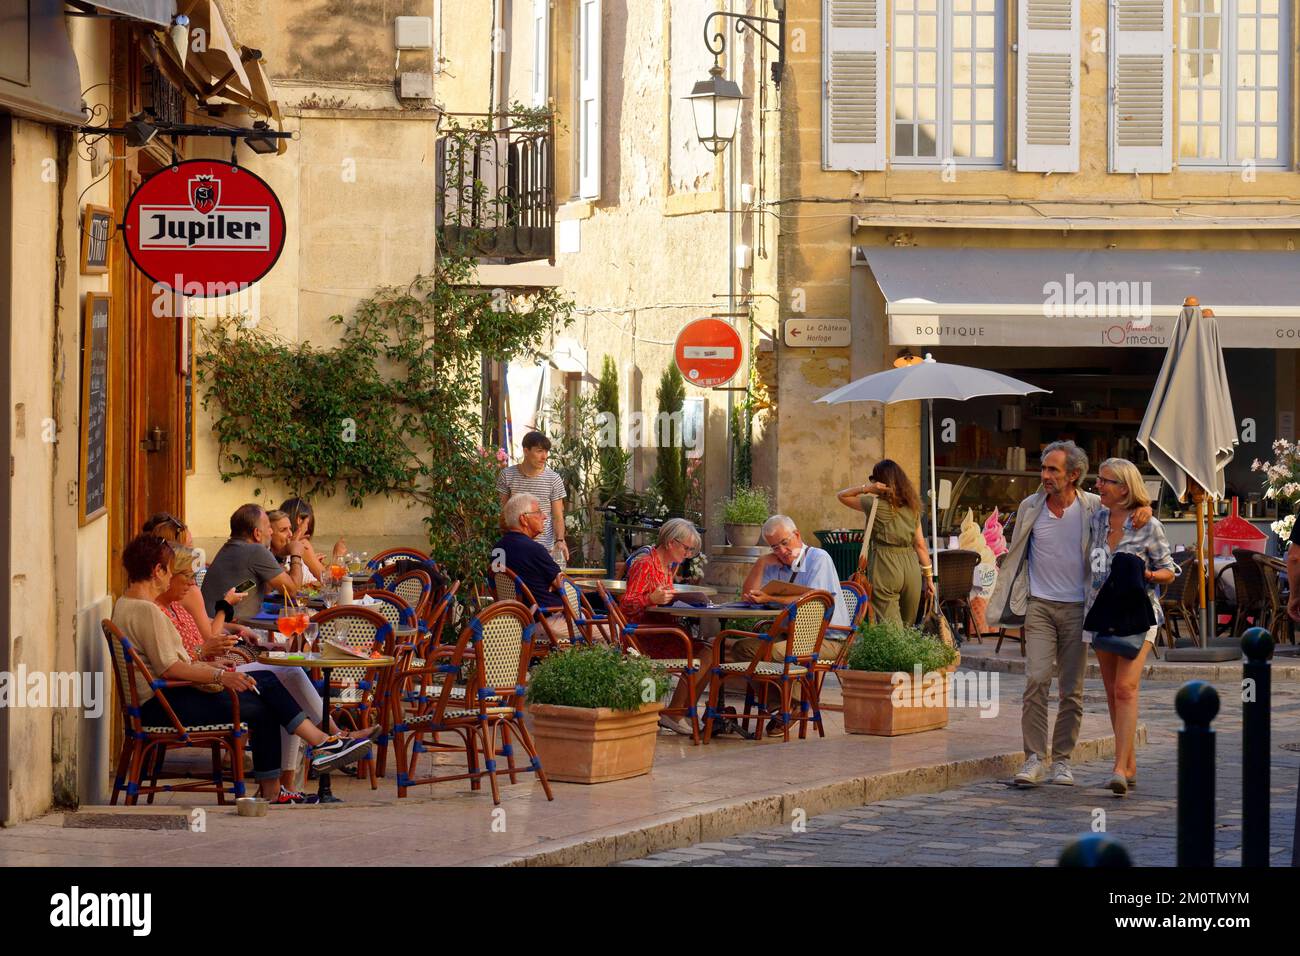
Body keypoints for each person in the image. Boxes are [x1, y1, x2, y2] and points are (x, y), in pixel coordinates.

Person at [112, 535, 372, 800]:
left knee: (266, 695)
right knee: (268, 689)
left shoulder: (125, 604)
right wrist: (221, 676)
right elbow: (171, 668)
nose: (173, 579)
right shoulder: (147, 611)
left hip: (163, 700)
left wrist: (211, 666)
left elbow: (169, 663)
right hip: (165, 705)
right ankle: (321, 746)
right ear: (158, 571)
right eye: (170, 570)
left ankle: (300, 766)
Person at [988, 441, 1151, 788]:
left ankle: (1062, 760)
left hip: (1080, 608)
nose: (1045, 475)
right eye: (1044, 468)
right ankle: (1034, 758)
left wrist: (1145, 510)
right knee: (1036, 679)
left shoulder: (1094, 508)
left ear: (1073, 475)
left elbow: (1129, 510)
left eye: (1053, 470)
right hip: (1040, 605)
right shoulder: (1030, 506)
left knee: (1071, 690)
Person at [1084, 458, 1178, 796]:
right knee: (1111, 692)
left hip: (1138, 615)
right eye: (1098, 480)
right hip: (1101, 612)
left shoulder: (1148, 525)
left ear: (1124, 487)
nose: (1099, 485)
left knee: (1126, 688)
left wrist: (1146, 575)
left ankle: (1119, 767)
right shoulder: (1096, 516)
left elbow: (1169, 570)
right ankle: (1129, 762)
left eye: (1106, 481)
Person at [731, 515, 850, 733]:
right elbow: (748, 594)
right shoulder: (776, 564)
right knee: (742, 649)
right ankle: (784, 705)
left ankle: (792, 704)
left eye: (785, 543)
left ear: (797, 535)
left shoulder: (818, 558)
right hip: (791, 636)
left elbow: (815, 600)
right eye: (774, 547)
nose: (782, 551)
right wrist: (761, 562)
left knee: (767, 655)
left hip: (828, 639)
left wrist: (770, 599)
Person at [621, 518, 710, 735]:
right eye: (686, 548)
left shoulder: (665, 566)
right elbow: (626, 604)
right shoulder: (645, 564)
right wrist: (651, 598)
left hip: (662, 631)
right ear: (671, 543)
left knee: (711, 650)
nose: (688, 554)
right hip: (645, 636)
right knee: (706, 653)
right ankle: (675, 713)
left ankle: (680, 711)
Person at [835, 459, 933, 625]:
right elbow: (920, 546)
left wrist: (866, 488)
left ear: (880, 482)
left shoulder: (873, 504)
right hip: (911, 567)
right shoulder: (912, 506)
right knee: (908, 627)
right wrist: (929, 579)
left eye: (874, 479)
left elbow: (842, 495)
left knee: (890, 630)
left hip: (884, 564)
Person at [200, 504, 300, 616]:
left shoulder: (228, 549)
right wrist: (296, 554)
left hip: (216, 624)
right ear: (257, 534)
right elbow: (292, 592)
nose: (271, 532)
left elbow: (250, 586)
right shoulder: (256, 551)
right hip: (230, 629)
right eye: (268, 527)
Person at [493, 493, 565, 626]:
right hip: (545, 621)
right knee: (614, 628)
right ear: (524, 519)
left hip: (511, 621)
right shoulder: (534, 549)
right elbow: (563, 586)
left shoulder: (497, 549)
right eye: (538, 512)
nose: (544, 516)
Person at [497, 432, 568, 565]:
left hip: (545, 549)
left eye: (546, 452)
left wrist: (560, 540)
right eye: (539, 451)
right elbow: (503, 512)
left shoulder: (553, 479)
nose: (544, 457)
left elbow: (558, 516)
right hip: (515, 548)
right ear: (526, 451)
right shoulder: (507, 475)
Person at [280, 497, 347, 583]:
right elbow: (327, 580)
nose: (308, 528)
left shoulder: (279, 546)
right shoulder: (303, 544)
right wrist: (337, 556)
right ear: (299, 520)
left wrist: (312, 562)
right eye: (308, 522)